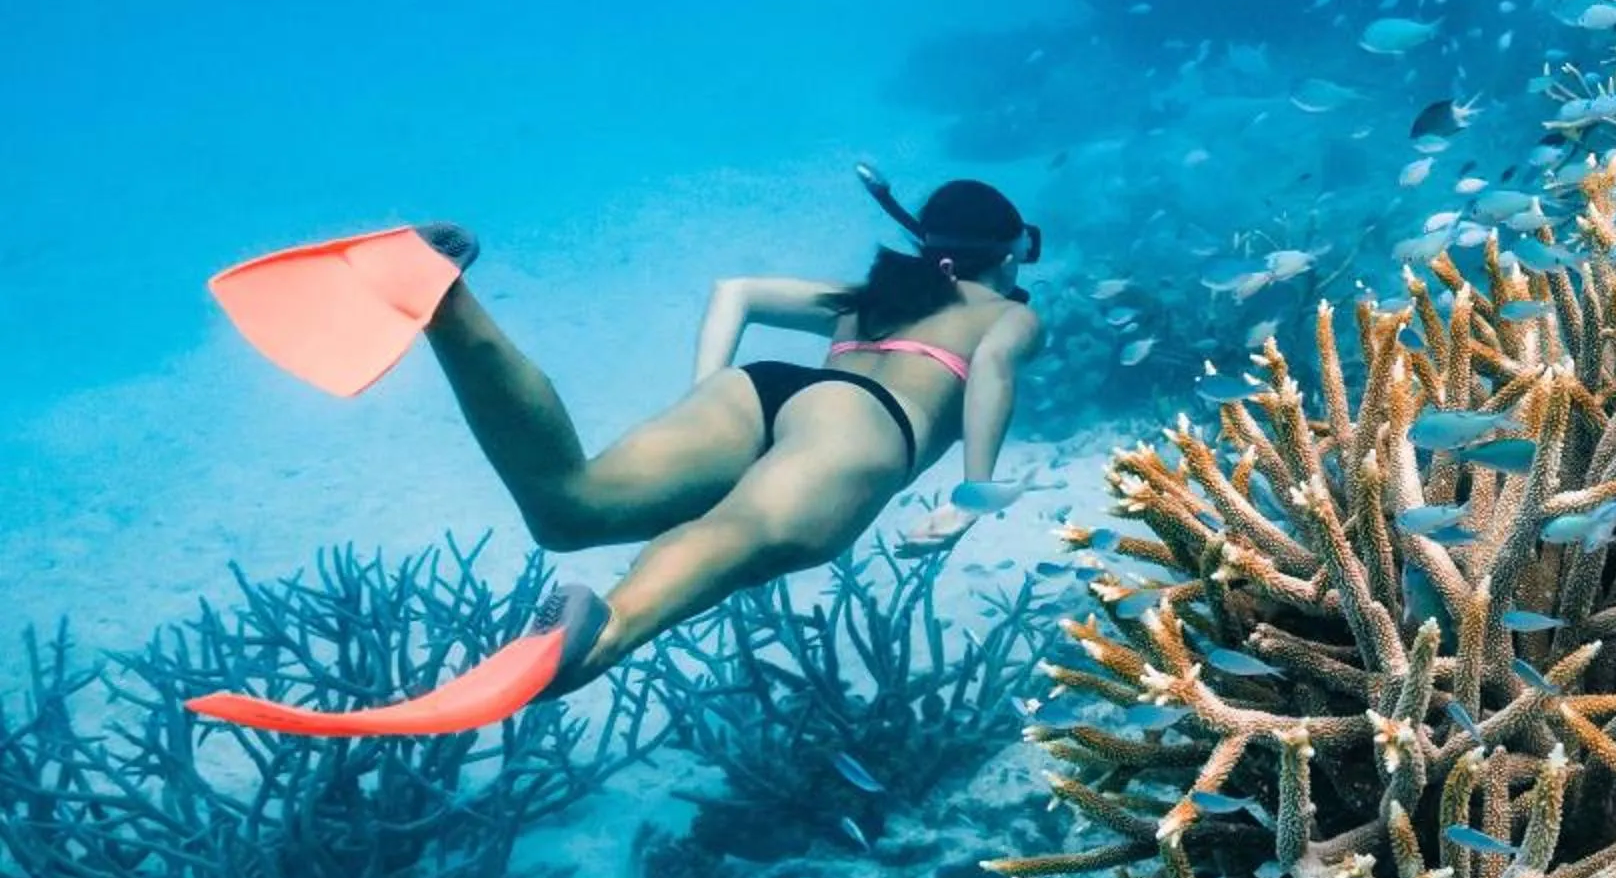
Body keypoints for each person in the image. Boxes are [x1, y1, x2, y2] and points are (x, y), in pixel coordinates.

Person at [188, 166, 1042, 734]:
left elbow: (733, 291)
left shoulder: (867, 296)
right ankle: (596, 639)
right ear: (1006, 257)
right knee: (734, 540)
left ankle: (445, 299)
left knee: (571, 505)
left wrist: (704, 392)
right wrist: (970, 493)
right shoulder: (1005, 311)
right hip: (863, 423)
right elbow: (994, 371)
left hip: (761, 387)